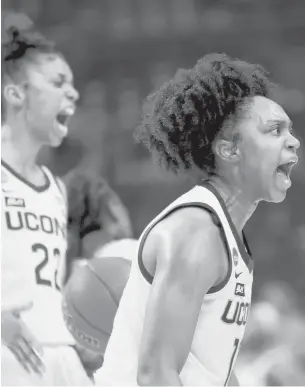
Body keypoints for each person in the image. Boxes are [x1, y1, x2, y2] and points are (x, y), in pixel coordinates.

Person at [95, 53, 300, 386]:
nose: (293, 141)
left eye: (289, 131)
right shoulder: (196, 234)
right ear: (229, 150)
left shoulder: (225, 234)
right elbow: (156, 375)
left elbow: (212, 367)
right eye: (274, 131)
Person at [1, 12, 93, 386]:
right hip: (8, 353)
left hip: (60, 356)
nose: (72, 93)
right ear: (16, 92)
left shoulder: (56, 188)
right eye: (58, 82)